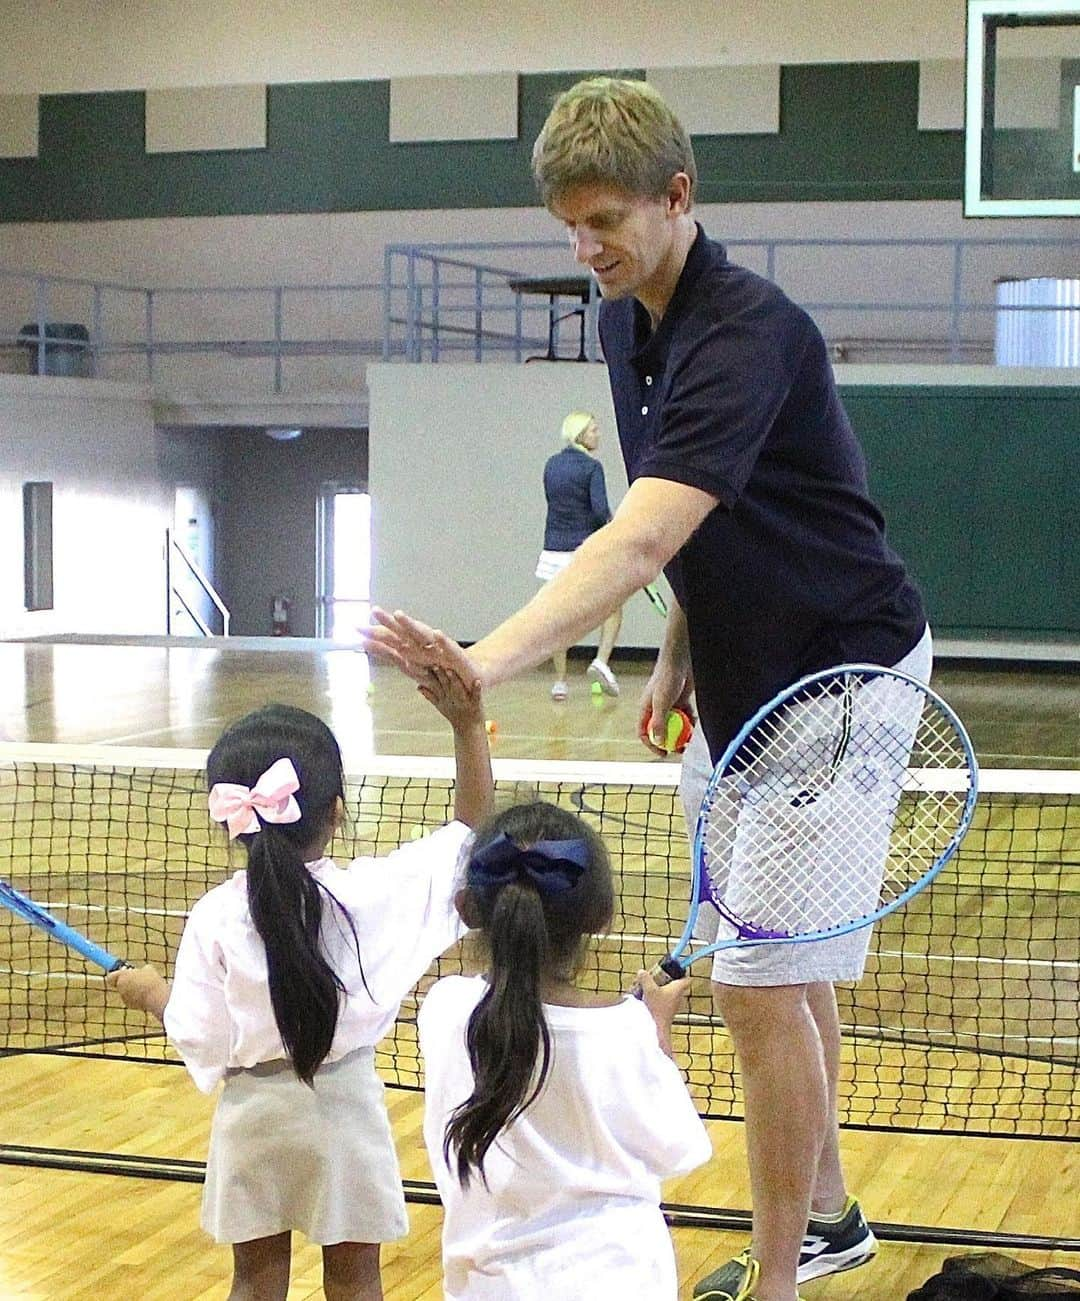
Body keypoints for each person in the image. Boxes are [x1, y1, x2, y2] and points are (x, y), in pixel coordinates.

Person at [362, 76, 932, 1301]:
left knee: (753, 979)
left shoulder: (753, 331)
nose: (585, 249)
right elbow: (689, 526)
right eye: (568, 226)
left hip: (844, 676)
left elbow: (630, 535)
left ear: (679, 196)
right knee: (790, 970)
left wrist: (484, 660)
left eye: (605, 220)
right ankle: (830, 1216)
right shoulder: (624, 325)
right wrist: (680, 642)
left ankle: (781, 1275)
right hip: (739, 675)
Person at [106, 673, 493, 1301]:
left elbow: (200, 1034)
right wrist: (467, 727)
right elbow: (468, 838)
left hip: (252, 1116)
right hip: (347, 1109)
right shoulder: (370, 897)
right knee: (355, 1281)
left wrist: (152, 994)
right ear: (337, 811)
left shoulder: (215, 916)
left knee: (254, 1284)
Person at [418, 799, 712, 1300]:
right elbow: (678, 1149)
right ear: (600, 918)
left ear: (467, 908)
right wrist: (656, 1035)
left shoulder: (444, 1008)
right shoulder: (625, 1033)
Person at [536, 409, 623, 699]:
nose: (598, 434)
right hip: (583, 550)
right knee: (613, 606)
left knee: (559, 616)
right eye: (594, 430)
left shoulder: (551, 465)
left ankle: (559, 682)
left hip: (552, 550)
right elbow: (599, 510)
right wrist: (614, 526)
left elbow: (553, 501)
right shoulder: (591, 468)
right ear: (580, 434)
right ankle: (601, 661)